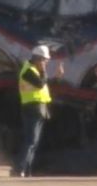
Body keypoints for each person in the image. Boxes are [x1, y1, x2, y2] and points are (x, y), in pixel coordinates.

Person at [12, 45, 63, 177]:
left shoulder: (33, 70)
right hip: (32, 108)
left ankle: (26, 170)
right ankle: (19, 168)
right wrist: (45, 71)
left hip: (38, 107)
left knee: (33, 142)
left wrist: (56, 77)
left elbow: (43, 84)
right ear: (38, 59)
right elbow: (40, 84)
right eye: (45, 60)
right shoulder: (28, 70)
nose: (46, 63)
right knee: (31, 140)